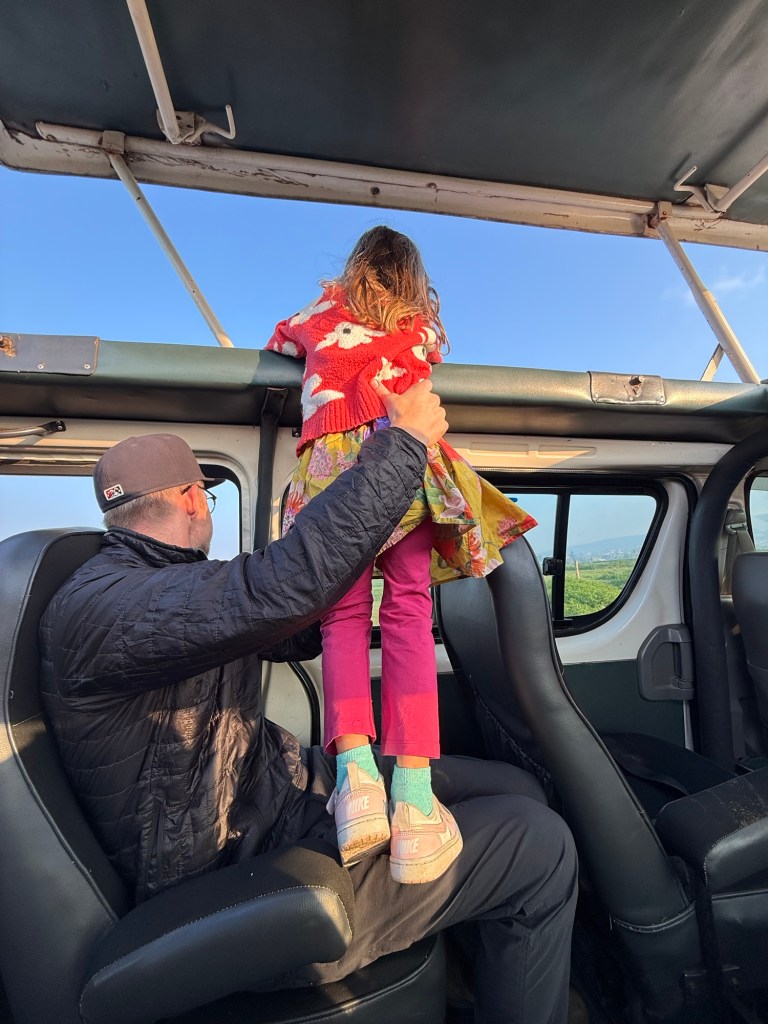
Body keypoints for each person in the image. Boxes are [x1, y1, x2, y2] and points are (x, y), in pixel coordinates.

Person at [40, 385, 578, 1024]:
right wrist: (403, 445)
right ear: (191, 498)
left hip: (276, 795)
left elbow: (286, 621)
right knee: (541, 844)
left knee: (514, 785)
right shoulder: (109, 605)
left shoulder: (158, 589)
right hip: (235, 874)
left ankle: (472, 968)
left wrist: (358, 583)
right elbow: (279, 588)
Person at [266, 226, 537, 884]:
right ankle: (413, 801)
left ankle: (356, 784)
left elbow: (279, 339)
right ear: (413, 280)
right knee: (410, 611)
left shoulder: (318, 314)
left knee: (341, 617)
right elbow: (433, 355)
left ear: (354, 269)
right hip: (403, 457)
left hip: (332, 470)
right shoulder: (416, 327)